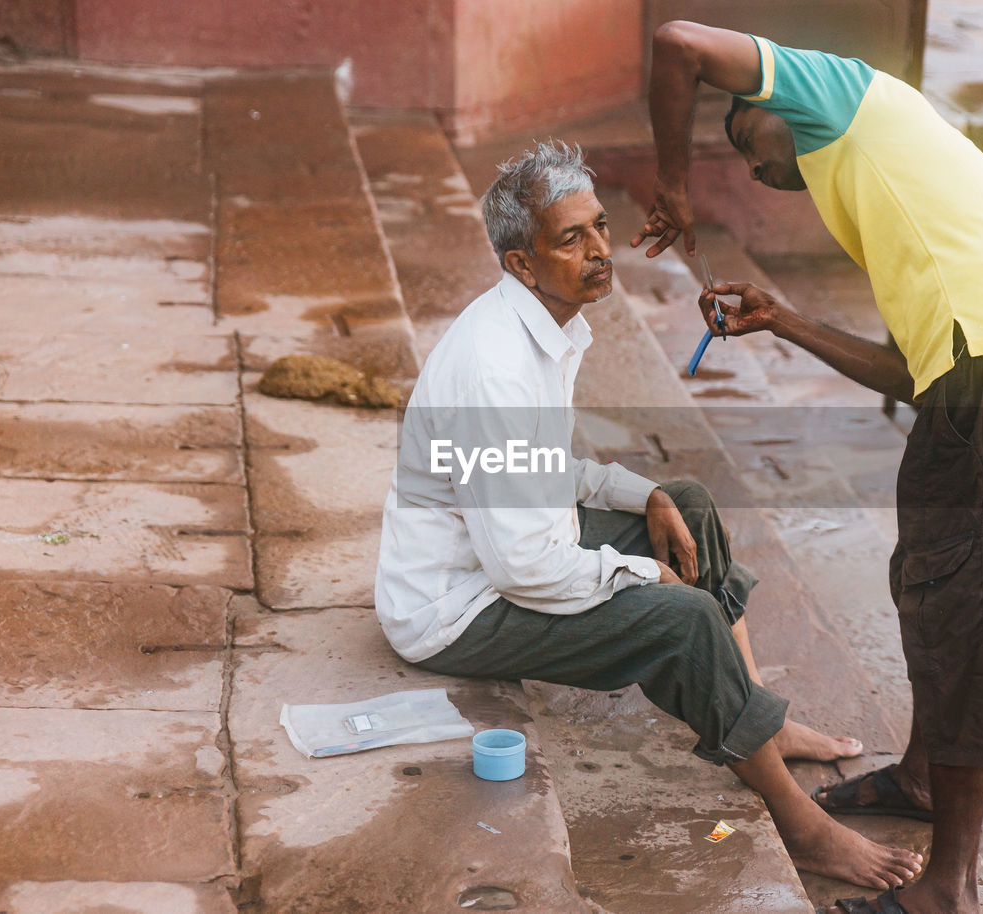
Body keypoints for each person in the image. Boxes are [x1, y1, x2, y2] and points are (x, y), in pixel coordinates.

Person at [374, 140, 922, 891]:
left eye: (598, 227)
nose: (600, 250)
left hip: (501, 557)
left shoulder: (542, 323)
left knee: (688, 504)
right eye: (571, 239)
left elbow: (540, 469)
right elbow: (523, 568)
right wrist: (640, 573)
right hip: (457, 606)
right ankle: (803, 824)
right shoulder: (493, 369)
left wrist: (649, 498)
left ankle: (756, 713)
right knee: (683, 617)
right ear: (520, 264)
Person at [633, 22, 983, 914]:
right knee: (935, 591)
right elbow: (909, 377)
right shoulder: (884, 187)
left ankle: (947, 890)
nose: (759, 173)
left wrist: (671, 186)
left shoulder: (843, 93)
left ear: (779, 106)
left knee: (966, 622)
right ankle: (924, 778)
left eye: (746, 144)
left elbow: (677, 42)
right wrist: (787, 321)